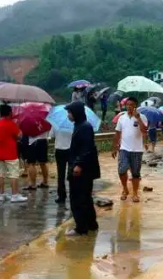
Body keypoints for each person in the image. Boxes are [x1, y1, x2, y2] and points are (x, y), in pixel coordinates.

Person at [65, 101, 100, 236]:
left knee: (78, 198)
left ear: (76, 113)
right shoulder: (80, 125)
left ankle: (81, 227)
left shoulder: (84, 127)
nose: (68, 115)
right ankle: (91, 224)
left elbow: (87, 149)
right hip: (84, 168)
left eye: (70, 112)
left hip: (81, 169)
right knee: (85, 197)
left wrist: (78, 164)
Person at [112, 97, 148, 203]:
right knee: (122, 170)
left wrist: (138, 119)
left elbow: (144, 131)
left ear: (135, 106)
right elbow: (117, 133)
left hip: (137, 150)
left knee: (136, 173)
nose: (129, 106)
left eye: (131, 104)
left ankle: (135, 193)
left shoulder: (142, 117)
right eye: (127, 104)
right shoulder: (122, 118)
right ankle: (125, 189)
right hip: (124, 149)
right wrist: (114, 147)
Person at [0, 105, 27, 203]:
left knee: (0, 174)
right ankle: (15, 195)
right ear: (9, 113)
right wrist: (19, 129)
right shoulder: (11, 124)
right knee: (14, 174)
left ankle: (1, 195)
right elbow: (19, 136)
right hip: (10, 153)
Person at [49, 128, 73, 204]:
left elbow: (51, 135)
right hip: (71, 150)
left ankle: (61, 196)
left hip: (59, 150)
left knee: (61, 174)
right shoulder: (73, 123)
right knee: (72, 173)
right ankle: (73, 195)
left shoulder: (56, 123)